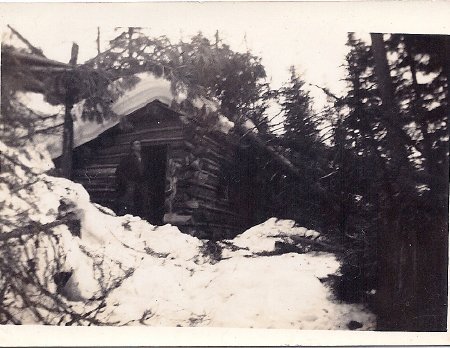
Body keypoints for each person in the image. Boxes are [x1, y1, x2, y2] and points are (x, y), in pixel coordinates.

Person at [115, 140, 145, 216]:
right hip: (131, 184)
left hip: (141, 184)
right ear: (132, 147)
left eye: (139, 144)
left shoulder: (143, 158)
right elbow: (119, 171)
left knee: (140, 202)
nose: (139, 145)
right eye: (137, 144)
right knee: (127, 202)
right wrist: (126, 182)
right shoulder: (128, 158)